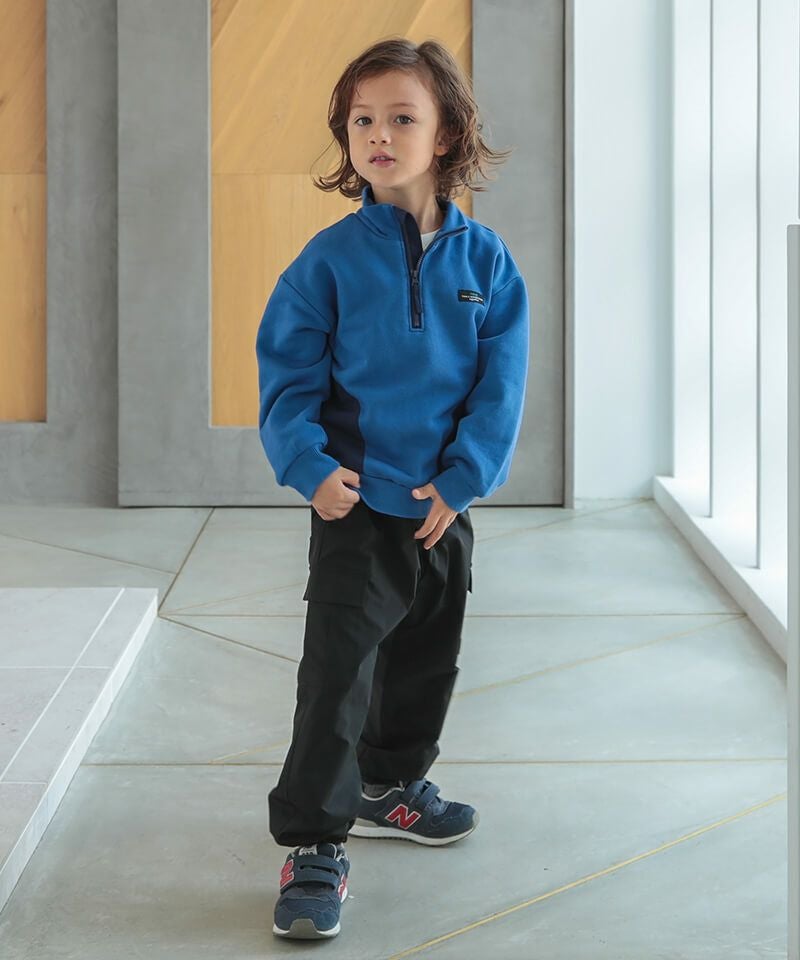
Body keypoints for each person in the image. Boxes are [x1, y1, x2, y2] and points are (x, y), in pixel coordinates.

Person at [255, 36, 530, 941]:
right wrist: (308, 467)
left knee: (426, 660)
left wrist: (464, 478)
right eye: (362, 120)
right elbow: (287, 375)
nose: (378, 134)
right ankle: (315, 841)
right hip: (355, 505)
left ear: (445, 133)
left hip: (441, 508)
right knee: (337, 675)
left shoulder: (487, 263)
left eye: (401, 118)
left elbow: (501, 387)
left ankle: (389, 783)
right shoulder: (327, 261)